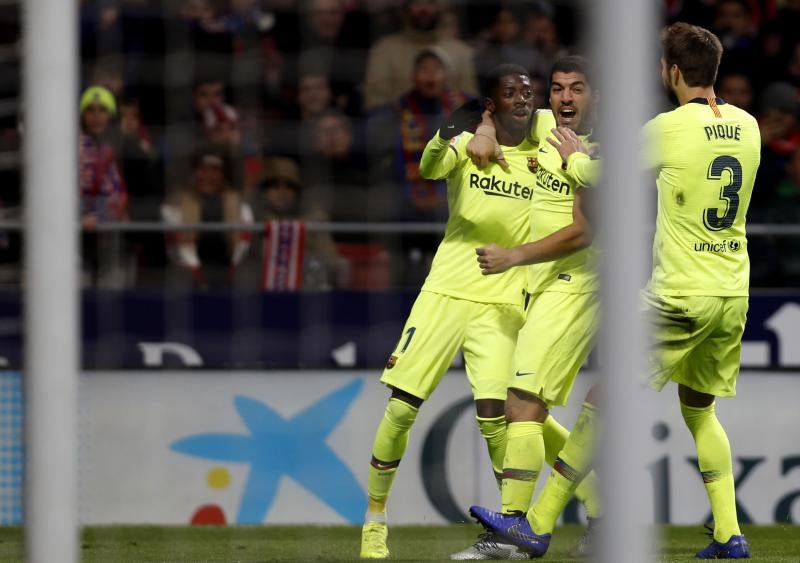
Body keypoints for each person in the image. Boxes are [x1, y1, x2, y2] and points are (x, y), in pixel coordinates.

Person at [471, 23, 760, 560]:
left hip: (681, 293)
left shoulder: (668, 127)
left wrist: (577, 155)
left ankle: (534, 524)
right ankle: (729, 534)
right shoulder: (749, 126)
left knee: (600, 404)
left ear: (672, 72)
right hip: (733, 292)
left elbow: (602, 174)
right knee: (699, 410)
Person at [360, 64, 598, 561]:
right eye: (509, 94)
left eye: (528, 93)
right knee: (401, 408)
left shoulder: (547, 137)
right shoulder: (466, 140)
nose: (524, 100)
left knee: (505, 418)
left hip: (506, 297)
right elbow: (427, 168)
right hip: (445, 291)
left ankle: (519, 524)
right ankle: (374, 522)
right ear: (490, 104)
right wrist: (476, 131)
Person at [462, 55, 603, 559]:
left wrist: (513, 255)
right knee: (526, 402)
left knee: (521, 398)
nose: (565, 98)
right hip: (541, 284)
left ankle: (516, 525)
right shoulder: (543, 125)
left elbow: (586, 230)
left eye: (578, 89)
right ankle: (583, 512)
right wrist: (482, 127)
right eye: (559, 88)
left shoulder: (602, 151)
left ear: (597, 96)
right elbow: (476, 108)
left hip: (576, 281)